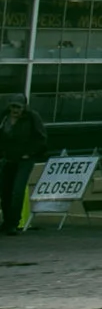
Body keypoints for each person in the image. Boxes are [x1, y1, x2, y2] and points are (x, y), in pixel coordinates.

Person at [1, 98, 47, 234]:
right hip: (8, 158)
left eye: (18, 107)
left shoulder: (32, 118)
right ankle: (6, 221)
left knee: (17, 190)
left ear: (24, 107)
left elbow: (41, 137)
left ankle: (13, 223)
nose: (15, 110)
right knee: (5, 190)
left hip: (24, 159)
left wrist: (30, 153)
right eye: (13, 107)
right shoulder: (4, 117)